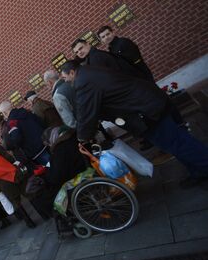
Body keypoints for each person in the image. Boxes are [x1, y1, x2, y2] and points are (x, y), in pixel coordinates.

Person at [61, 60, 208, 188]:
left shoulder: (83, 81)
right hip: (147, 106)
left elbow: (86, 112)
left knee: (179, 143)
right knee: (175, 143)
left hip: (146, 110)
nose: (66, 81)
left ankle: (203, 166)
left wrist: (82, 137)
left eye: (65, 77)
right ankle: (197, 171)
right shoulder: (88, 72)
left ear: (72, 72)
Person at [29, 126, 88, 219]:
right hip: (85, 169)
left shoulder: (60, 148)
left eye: (48, 143)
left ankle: (61, 217)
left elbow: (56, 177)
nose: (49, 146)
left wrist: (45, 177)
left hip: (79, 176)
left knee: (44, 195)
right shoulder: (73, 136)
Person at [0, 100, 49, 165]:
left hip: (35, 151)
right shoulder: (26, 111)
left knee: (52, 167)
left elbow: (16, 138)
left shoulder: (12, 122)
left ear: (4, 113)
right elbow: (40, 122)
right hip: (46, 142)